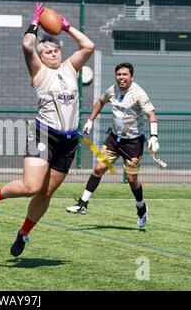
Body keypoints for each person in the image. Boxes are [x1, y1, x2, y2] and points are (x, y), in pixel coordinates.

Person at [0, 3, 95, 257]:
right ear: (41, 58)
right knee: (31, 186)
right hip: (44, 134)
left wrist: (66, 26)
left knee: (47, 191)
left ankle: (24, 233)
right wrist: (34, 22)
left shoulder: (70, 69)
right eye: (49, 51)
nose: (53, 53)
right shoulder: (39, 72)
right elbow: (27, 45)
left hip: (68, 140)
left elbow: (89, 46)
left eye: (56, 50)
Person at [66, 62, 159, 229]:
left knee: (132, 179)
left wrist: (154, 136)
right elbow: (100, 102)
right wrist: (90, 121)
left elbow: (151, 114)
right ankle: (83, 203)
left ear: (132, 76)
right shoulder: (112, 90)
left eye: (125, 75)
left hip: (133, 143)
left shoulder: (138, 94)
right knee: (99, 169)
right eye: (119, 75)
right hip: (114, 140)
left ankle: (141, 208)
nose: (121, 77)